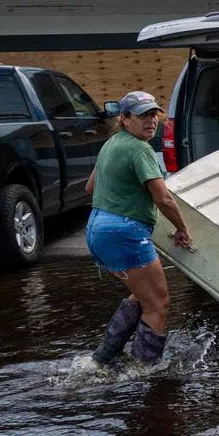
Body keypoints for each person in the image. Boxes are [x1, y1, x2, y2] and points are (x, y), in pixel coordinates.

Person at [85, 91, 194, 365]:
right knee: (159, 304)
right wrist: (182, 228)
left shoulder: (111, 144)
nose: (150, 121)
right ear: (124, 119)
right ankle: (144, 371)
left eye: (153, 114)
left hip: (97, 230)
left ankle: (102, 359)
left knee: (143, 293)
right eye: (142, 115)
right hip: (125, 233)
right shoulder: (139, 149)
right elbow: (164, 198)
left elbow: (90, 188)